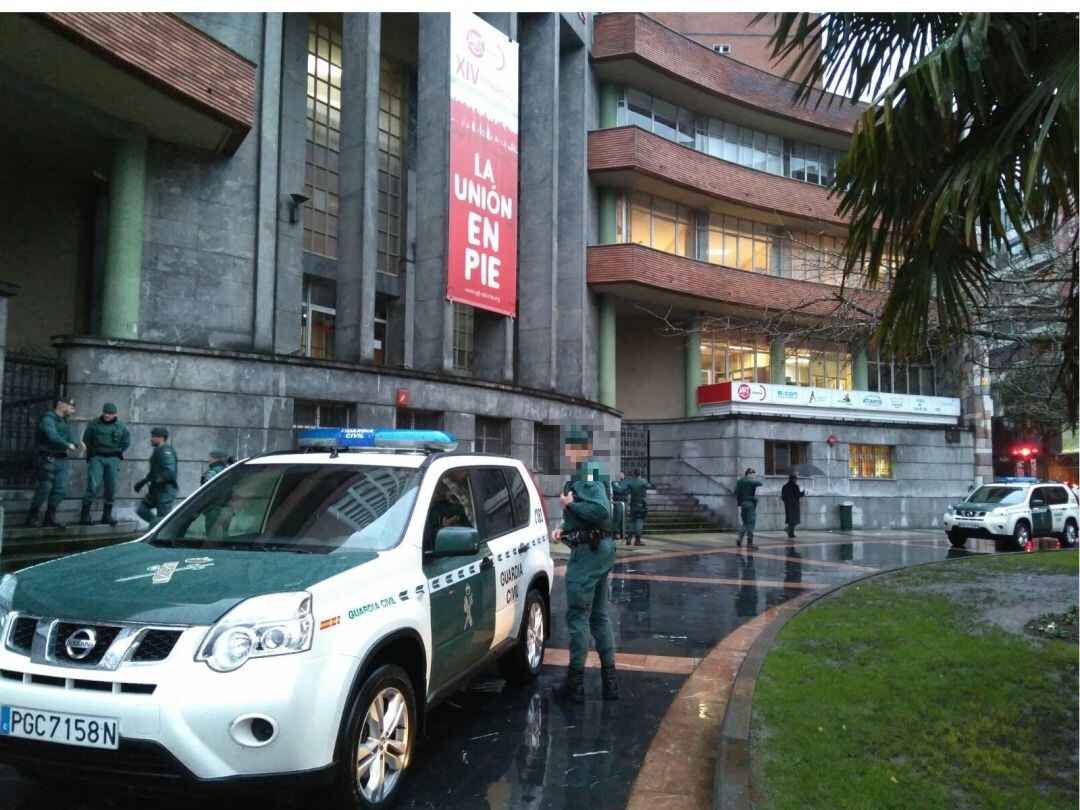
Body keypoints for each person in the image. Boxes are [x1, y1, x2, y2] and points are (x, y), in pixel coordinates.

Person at [551, 426, 617, 703]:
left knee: (578, 618)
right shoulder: (593, 471)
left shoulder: (586, 473)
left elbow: (601, 510)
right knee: (599, 616)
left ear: (580, 449)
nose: (567, 452)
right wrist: (563, 531)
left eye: (569, 447)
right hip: (600, 549)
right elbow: (593, 517)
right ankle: (610, 685)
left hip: (588, 555)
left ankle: (574, 686)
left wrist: (569, 504)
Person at [24, 397, 84, 529]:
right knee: (45, 487)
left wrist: (77, 442)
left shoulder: (64, 421)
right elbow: (52, 435)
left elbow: (69, 435)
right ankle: (31, 516)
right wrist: (66, 444)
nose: (73, 411)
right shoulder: (48, 419)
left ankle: (50, 517)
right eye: (71, 407)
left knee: (60, 489)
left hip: (60, 459)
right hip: (47, 458)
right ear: (62, 406)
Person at [79, 402, 131, 526]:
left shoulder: (120, 426)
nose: (107, 415)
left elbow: (126, 441)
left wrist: (119, 452)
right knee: (92, 485)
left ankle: (106, 515)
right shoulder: (94, 424)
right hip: (97, 457)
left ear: (115, 414)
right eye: (105, 413)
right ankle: (85, 515)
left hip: (113, 458)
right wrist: (90, 454)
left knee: (111, 487)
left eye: (110, 413)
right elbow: (87, 439)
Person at [134, 427, 179, 528]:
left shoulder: (166, 452)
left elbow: (169, 472)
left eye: (153, 437)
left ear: (161, 438)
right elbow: (155, 471)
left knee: (163, 518)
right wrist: (143, 482)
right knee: (142, 509)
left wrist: (159, 481)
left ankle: (160, 531)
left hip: (165, 490)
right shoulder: (158, 451)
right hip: (155, 490)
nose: (151, 439)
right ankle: (156, 527)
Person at [735, 468, 763, 548]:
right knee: (751, 523)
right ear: (750, 473)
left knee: (745, 522)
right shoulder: (749, 480)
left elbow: (736, 491)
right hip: (749, 504)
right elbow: (760, 483)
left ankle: (739, 539)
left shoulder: (740, 481)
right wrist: (753, 479)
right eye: (754, 474)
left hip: (743, 504)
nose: (754, 476)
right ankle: (750, 543)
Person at [624, 468, 652, 547]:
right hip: (640, 504)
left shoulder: (630, 482)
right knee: (639, 522)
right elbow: (649, 486)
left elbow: (625, 489)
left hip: (632, 504)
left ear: (634, 473)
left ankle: (629, 539)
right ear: (640, 474)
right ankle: (637, 540)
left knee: (632, 522)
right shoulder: (643, 481)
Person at [781, 474, 807, 538]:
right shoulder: (795, 486)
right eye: (795, 479)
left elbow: (783, 496)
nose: (796, 480)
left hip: (787, 505)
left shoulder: (784, 486)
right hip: (794, 505)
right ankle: (789, 530)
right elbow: (798, 495)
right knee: (795, 519)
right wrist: (803, 493)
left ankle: (791, 533)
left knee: (790, 520)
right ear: (793, 479)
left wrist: (786, 501)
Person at [611, 471, 629, 542]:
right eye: (620, 474)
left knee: (624, 519)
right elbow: (619, 490)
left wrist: (623, 490)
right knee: (617, 518)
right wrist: (624, 489)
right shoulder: (614, 482)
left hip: (625, 501)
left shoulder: (625, 482)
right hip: (618, 501)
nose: (622, 475)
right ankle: (613, 533)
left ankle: (623, 534)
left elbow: (628, 490)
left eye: (623, 474)